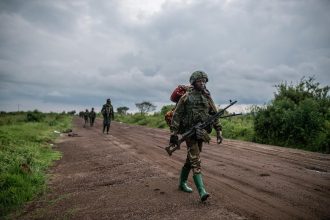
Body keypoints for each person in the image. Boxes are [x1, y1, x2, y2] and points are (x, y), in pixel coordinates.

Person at [169, 70, 223, 202]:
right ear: (194, 82)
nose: (202, 83)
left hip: (202, 132)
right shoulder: (186, 97)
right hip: (189, 132)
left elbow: (214, 114)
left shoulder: (207, 97)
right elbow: (177, 116)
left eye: (204, 81)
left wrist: (219, 130)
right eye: (200, 81)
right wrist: (174, 134)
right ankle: (202, 191)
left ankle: (182, 183)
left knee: (191, 158)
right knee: (195, 160)